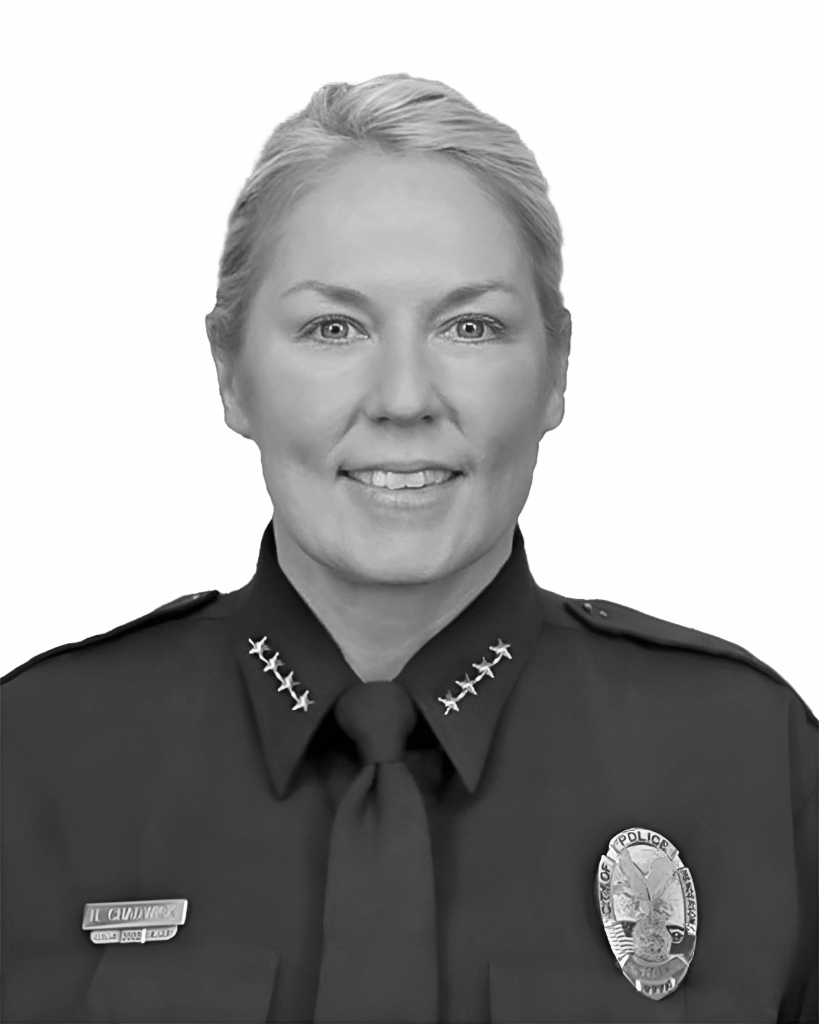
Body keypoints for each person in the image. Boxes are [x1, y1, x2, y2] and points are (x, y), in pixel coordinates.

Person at [1, 72, 815, 1024]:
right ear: (229, 373)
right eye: (332, 327)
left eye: (469, 326)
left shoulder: (752, 757)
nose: (402, 398)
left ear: (556, 369)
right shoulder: (30, 752)